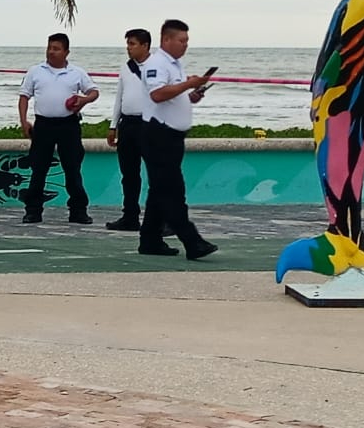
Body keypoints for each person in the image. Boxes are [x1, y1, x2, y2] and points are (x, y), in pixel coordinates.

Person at [138, 18, 218, 260]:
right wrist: (187, 84)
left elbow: (174, 94)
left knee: (160, 190)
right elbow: (157, 94)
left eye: (187, 41)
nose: (185, 45)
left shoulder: (174, 65)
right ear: (166, 40)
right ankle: (192, 241)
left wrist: (191, 94)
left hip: (172, 136)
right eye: (181, 40)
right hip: (158, 134)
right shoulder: (157, 63)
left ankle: (150, 240)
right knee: (172, 191)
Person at [17, 33, 99, 224]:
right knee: (39, 169)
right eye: (49, 48)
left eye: (56, 49)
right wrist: (24, 121)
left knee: (72, 169)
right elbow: (24, 97)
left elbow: (94, 92)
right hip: (43, 125)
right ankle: (33, 211)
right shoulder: (35, 71)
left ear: (66, 52)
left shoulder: (76, 73)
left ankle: (78, 211)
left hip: (68, 126)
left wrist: (83, 101)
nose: (51, 52)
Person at [105, 28, 151, 231]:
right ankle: (130, 216)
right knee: (129, 174)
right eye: (128, 44)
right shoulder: (126, 68)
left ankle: (163, 219)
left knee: (157, 174)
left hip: (150, 125)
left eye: (132, 44)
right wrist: (113, 125)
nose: (128, 48)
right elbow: (119, 97)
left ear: (145, 45)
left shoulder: (159, 67)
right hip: (128, 125)